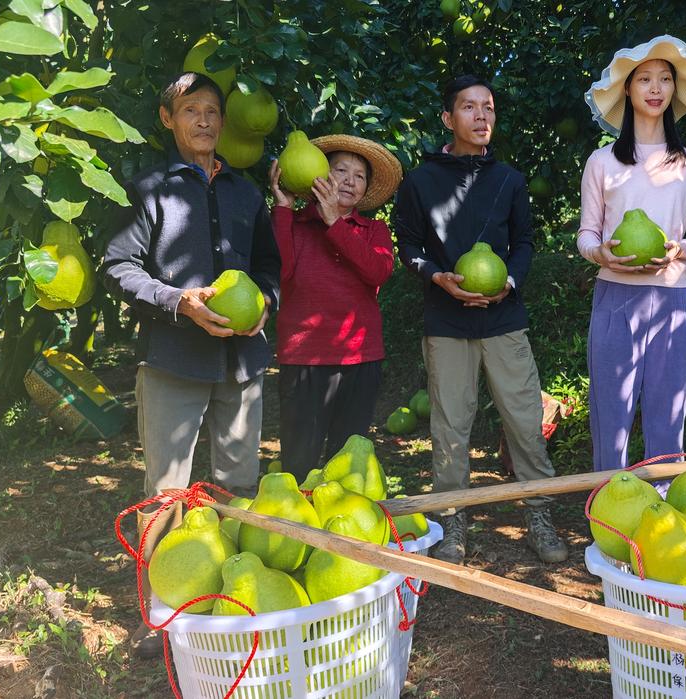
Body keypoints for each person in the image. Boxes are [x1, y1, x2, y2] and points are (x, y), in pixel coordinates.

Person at [102, 71, 280, 657]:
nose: (203, 120)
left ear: (223, 121)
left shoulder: (246, 194)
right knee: (166, 492)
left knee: (239, 486)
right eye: (190, 110)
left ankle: (232, 604)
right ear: (167, 119)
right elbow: (118, 266)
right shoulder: (148, 189)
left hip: (241, 360)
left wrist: (265, 304)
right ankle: (161, 612)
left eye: (212, 111)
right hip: (173, 358)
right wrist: (179, 301)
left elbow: (269, 267)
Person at [393, 74, 568, 565]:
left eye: (488, 107)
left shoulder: (509, 180)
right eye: (469, 107)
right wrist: (436, 277)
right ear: (448, 118)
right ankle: (453, 521)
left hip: (504, 317)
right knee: (450, 426)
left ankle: (539, 514)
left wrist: (508, 281)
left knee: (525, 420)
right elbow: (407, 244)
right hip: (446, 319)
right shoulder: (421, 181)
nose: (481, 115)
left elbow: (525, 242)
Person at [577, 36, 686, 472]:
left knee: (667, 421)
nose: (655, 88)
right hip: (614, 299)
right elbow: (586, 234)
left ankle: (663, 505)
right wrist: (600, 254)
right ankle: (606, 505)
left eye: (664, 79)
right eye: (644, 79)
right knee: (610, 420)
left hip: (673, 300)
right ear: (627, 88)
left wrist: (682, 249)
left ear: (674, 89)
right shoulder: (601, 161)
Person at [267, 135, 402, 482]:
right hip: (304, 358)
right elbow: (279, 274)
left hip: (360, 358)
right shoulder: (294, 224)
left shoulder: (374, 230)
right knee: (299, 463)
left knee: (346, 464)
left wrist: (335, 225)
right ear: (321, 175)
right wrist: (283, 208)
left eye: (359, 176)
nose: (350, 181)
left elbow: (378, 271)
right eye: (341, 170)